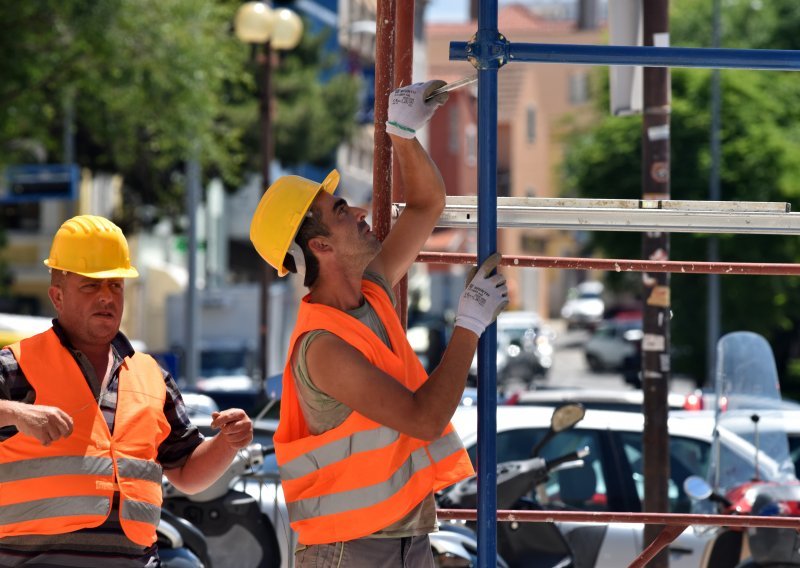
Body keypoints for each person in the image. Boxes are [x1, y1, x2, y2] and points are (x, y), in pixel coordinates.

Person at [249, 80, 509, 567]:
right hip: (350, 549)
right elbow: (424, 420)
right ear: (321, 248)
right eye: (342, 212)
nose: (362, 212)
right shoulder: (322, 347)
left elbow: (428, 205)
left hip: (401, 539)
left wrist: (403, 134)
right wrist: (469, 324)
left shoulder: (371, 291)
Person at [0, 214, 254, 567]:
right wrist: (14, 412)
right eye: (91, 285)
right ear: (57, 296)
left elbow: (188, 473)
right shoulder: (16, 365)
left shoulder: (152, 377)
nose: (107, 296)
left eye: (115, 285)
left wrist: (227, 443)